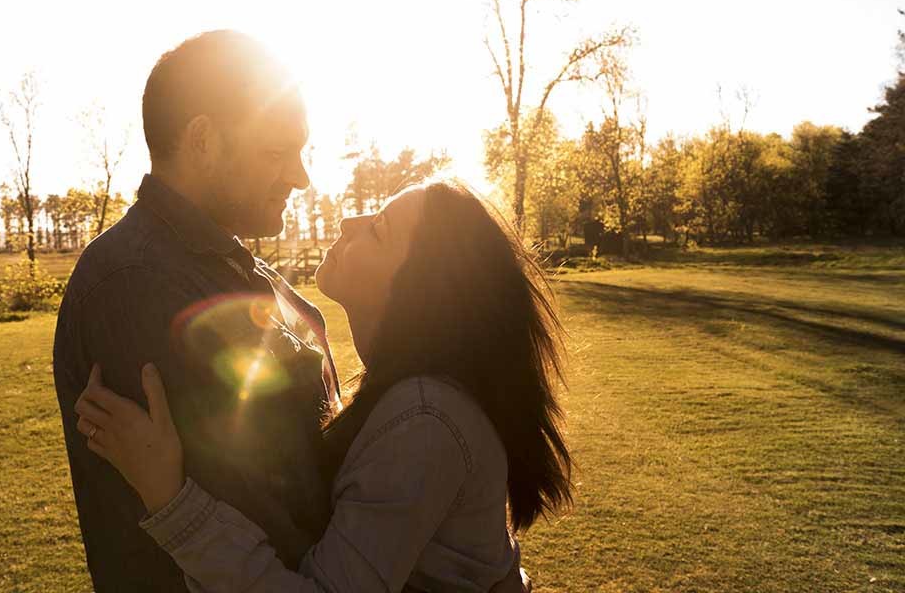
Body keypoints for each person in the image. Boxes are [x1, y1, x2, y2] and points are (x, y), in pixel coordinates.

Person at [74, 179, 573, 592]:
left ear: (419, 291)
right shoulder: (410, 394)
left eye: (377, 229)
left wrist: (169, 498)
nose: (347, 221)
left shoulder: (427, 420)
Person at [53, 30, 342, 592]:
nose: (300, 177)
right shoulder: (135, 284)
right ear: (204, 140)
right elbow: (255, 501)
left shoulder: (225, 265)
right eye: (278, 151)